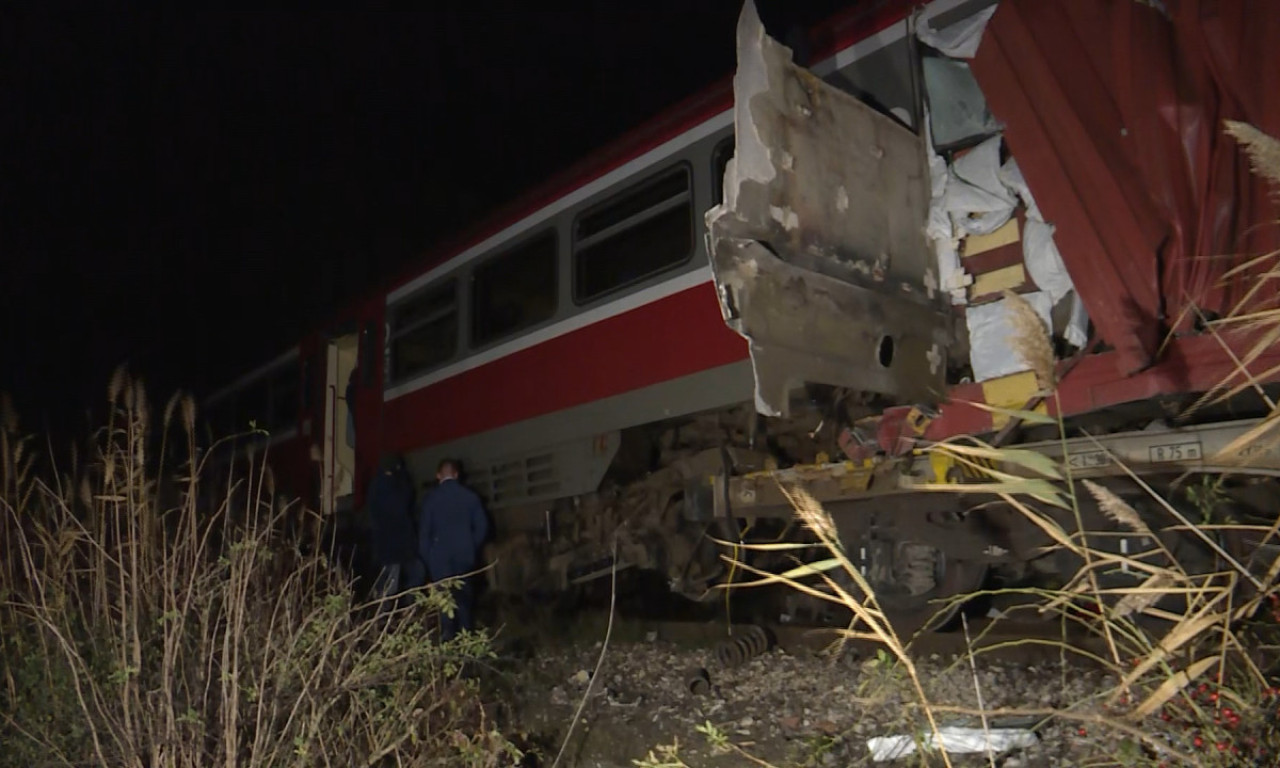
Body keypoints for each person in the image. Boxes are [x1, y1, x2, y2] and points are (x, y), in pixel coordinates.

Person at [418, 459, 489, 640]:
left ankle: (448, 643)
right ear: (456, 475)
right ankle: (467, 642)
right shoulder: (470, 497)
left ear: (438, 476)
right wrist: (471, 546)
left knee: (445, 605)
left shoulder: (430, 500)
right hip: (464, 557)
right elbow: (482, 527)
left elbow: (424, 535)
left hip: (439, 560)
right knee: (464, 602)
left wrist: (429, 559)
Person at [367, 454, 423, 611]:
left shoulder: (377, 486)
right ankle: (393, 612)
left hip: (389, 545)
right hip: (398, 544)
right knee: (399, 579)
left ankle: (385, 612)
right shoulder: (394, 486)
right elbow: (403, 505)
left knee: (393, 579)